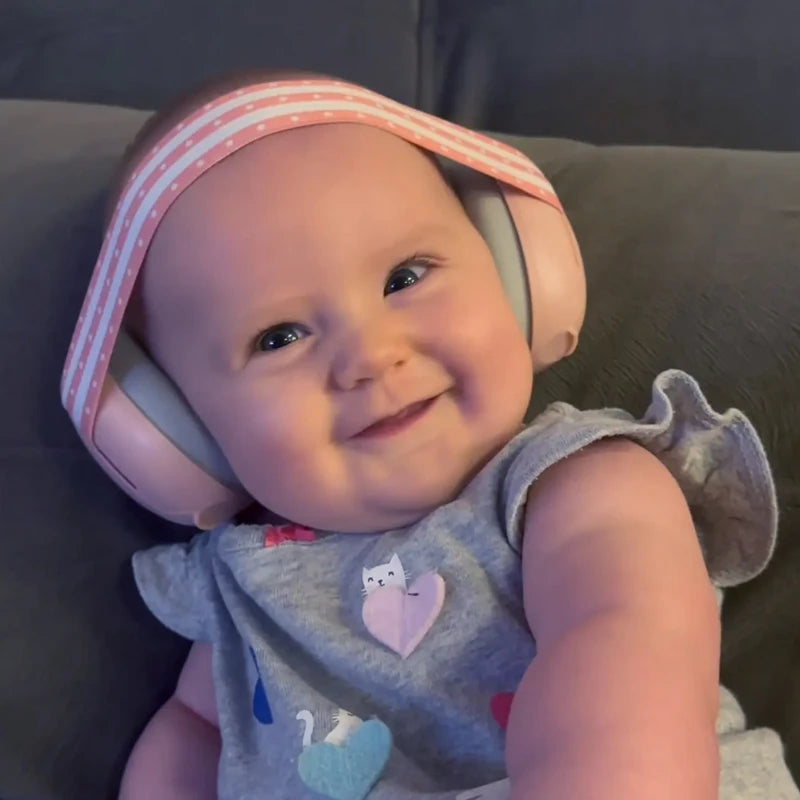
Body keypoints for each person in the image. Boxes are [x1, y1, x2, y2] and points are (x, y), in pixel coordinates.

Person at [61, 70, 799, 800]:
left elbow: (627, 639)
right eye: (279, 337)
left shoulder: (576, 481)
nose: (370, 357)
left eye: (405, 277)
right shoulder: (237, 584)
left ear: (519, 278)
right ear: (177, 430)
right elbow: (195, 733)